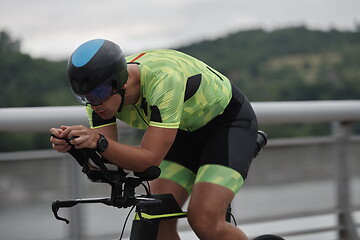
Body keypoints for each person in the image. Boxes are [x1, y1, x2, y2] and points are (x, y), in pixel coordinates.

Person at [50, 39, 258, 240]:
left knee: (204, 220)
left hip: (226, 125)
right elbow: (108, 161)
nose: (93, 104)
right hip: (182, 132)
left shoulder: (163, 80)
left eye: (99, 93)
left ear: (120, 81)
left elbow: (148, 160)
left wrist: (98, 142)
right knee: (154, 218)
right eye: (84, 97)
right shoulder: (97, 97)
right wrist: (78, 148)